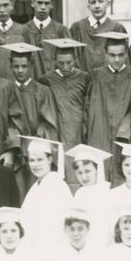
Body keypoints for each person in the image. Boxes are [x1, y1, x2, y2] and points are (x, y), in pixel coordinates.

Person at [84, 33, 131, 184]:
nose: (117, 59)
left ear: (127, 54)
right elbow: (88, 110)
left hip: (125, 138)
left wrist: (124, 131)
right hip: (99, 136)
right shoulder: (96, 76)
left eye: (121, 55)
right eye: (112, 55)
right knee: (100, 176)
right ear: (105, 55)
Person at [4, 42, 59, 196]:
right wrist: (16, 147)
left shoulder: (43, 91)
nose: (20, 70)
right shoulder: (5, 90)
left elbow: (48, 123)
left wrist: (34, 147)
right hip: (16, 156)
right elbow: (6, 122)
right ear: (10, 65)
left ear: (32, 65)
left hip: (38, 155)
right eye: (16, 66)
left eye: (24, 66)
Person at [39, 38, 89, 186]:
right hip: (57, 131)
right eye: (61, 63)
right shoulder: (47, 80)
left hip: (79, 131)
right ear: (54, 61)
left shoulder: (84, 77)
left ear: (76, 59)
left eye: (69, 62)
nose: (65, 67)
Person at [18, 136, 72, 250]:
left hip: (52, 247)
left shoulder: (57, 185)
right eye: (32, 160)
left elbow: (62, 222)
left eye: (40, 159)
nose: (35, 164)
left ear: (49, 159)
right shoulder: (35, 187)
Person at [68, 0, 128, 73]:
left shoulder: (117, 28)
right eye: (93, 2)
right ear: (88, 7)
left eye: (100, 1)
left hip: (108, 82)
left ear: (107, 4)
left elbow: (123, 60)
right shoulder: (77, 27)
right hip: (82, 82)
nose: (97, 6)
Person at [20, 0, 69, 79]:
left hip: (55, 85)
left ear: (52, 5)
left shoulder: (61, 31)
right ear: (32, 3)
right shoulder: (24, 31)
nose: (43, 7)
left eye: (47, 3)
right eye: (39, 2)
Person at [68, 144, 114, 247]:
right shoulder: (79, 193)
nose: (84, 176)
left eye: (88, 171)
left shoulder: (108, 190)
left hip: (104, 243)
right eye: (79, 173)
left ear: (97, 170)